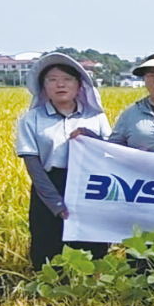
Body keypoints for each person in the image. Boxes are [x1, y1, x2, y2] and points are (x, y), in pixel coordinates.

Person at [13, 53, 112, 270]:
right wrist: (54, 202)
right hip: (50, 184)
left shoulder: (95, 117)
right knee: (48, 247)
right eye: (52, 79)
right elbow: (33, 165)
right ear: (43, 87)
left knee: (92, 248)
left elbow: (110, 151)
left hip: (90, 186)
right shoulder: (31, 119)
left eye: (67, 79)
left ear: (79, 85)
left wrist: (90, 136)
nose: (60, 85)